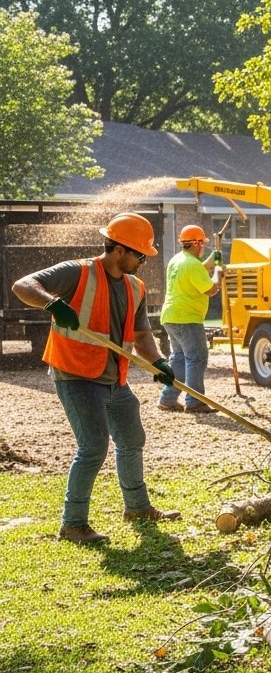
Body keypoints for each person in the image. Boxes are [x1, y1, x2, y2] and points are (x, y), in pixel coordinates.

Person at [10, 212, 182, 544]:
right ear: (119, 249)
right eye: (139, 254)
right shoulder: (78, 271)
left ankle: (137, 507)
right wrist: (52, 304)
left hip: (113, 377)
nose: (143, 261)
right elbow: (23, 286)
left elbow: (142, 335)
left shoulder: (136, 286)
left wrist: (159, 362)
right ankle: (72, 525)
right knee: (92, 448)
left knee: (132, 439)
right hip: (75, 374)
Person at [157, 224, 222, 413]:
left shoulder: (177, 260)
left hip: (170, 316)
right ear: (196, 243)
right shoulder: (192, 264)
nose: (203, 247)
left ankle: (167, 399)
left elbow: (197, 272)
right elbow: (211, 289)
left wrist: (212, 260)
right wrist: (218, 271)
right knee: (197, 358)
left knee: (178, 359)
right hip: (187, 318)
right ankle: (194, 401)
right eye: (202, 244)